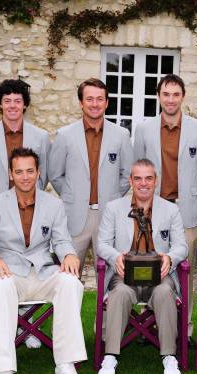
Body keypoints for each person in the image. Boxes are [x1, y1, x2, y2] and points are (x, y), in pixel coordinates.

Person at [0, 147, 87, 374]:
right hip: (10, 273)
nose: (25, 176)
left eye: (30, 171)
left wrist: (68, 254)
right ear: (10, 174)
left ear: (38, 173)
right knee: (1, 288)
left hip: (43, 272)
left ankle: (66, 364)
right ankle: (4, 371)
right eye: (19, 172)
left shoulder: (54, 205)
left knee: (71, 283)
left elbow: (61, 240)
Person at [133, 74, 197, 336]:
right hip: (152, 209)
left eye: (175, 94)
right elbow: (139, 167)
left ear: (182, 96)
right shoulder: (145, 129)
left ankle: (185, 328)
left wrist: (188, 192)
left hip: (186, 209)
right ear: (159, 97)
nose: (170, 99)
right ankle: (150, 323)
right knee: (149, 265)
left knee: (185, 271)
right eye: (165, 94)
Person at [95, 159, 188, 374]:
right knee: (120, 293)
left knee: (164, 293)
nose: (143, 183)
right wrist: (115, 256)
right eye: (138, 178)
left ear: (155, 181)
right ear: (130, 181)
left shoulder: (171, 209)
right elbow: (102, 244)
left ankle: (169, 356)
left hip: (160, 277)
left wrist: (170, 257)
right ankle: (110, 356)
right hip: (124, 276)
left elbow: (181, 246)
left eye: (148, 178)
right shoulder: (114, 208)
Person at [48, 78, 133, 277]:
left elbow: (127, 174)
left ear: (107, 102)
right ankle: (70, 310)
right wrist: (72, 195)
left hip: (108, 214)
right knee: (68, 276)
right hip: (74, 215)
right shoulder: (65, 135)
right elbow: (55, 174)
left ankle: (107, 309)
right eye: (89, 99)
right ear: (81, 103)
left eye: (99, 99)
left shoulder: (121, 135)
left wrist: (112, 196)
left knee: (111, 276)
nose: (95, 104)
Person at [0, 79, 50, 201]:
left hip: (31, 206)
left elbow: (43, 176)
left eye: (17, 101)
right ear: (0, 104)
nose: (12, 105)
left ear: (24, 104)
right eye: (7, 101)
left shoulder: (41, 137)